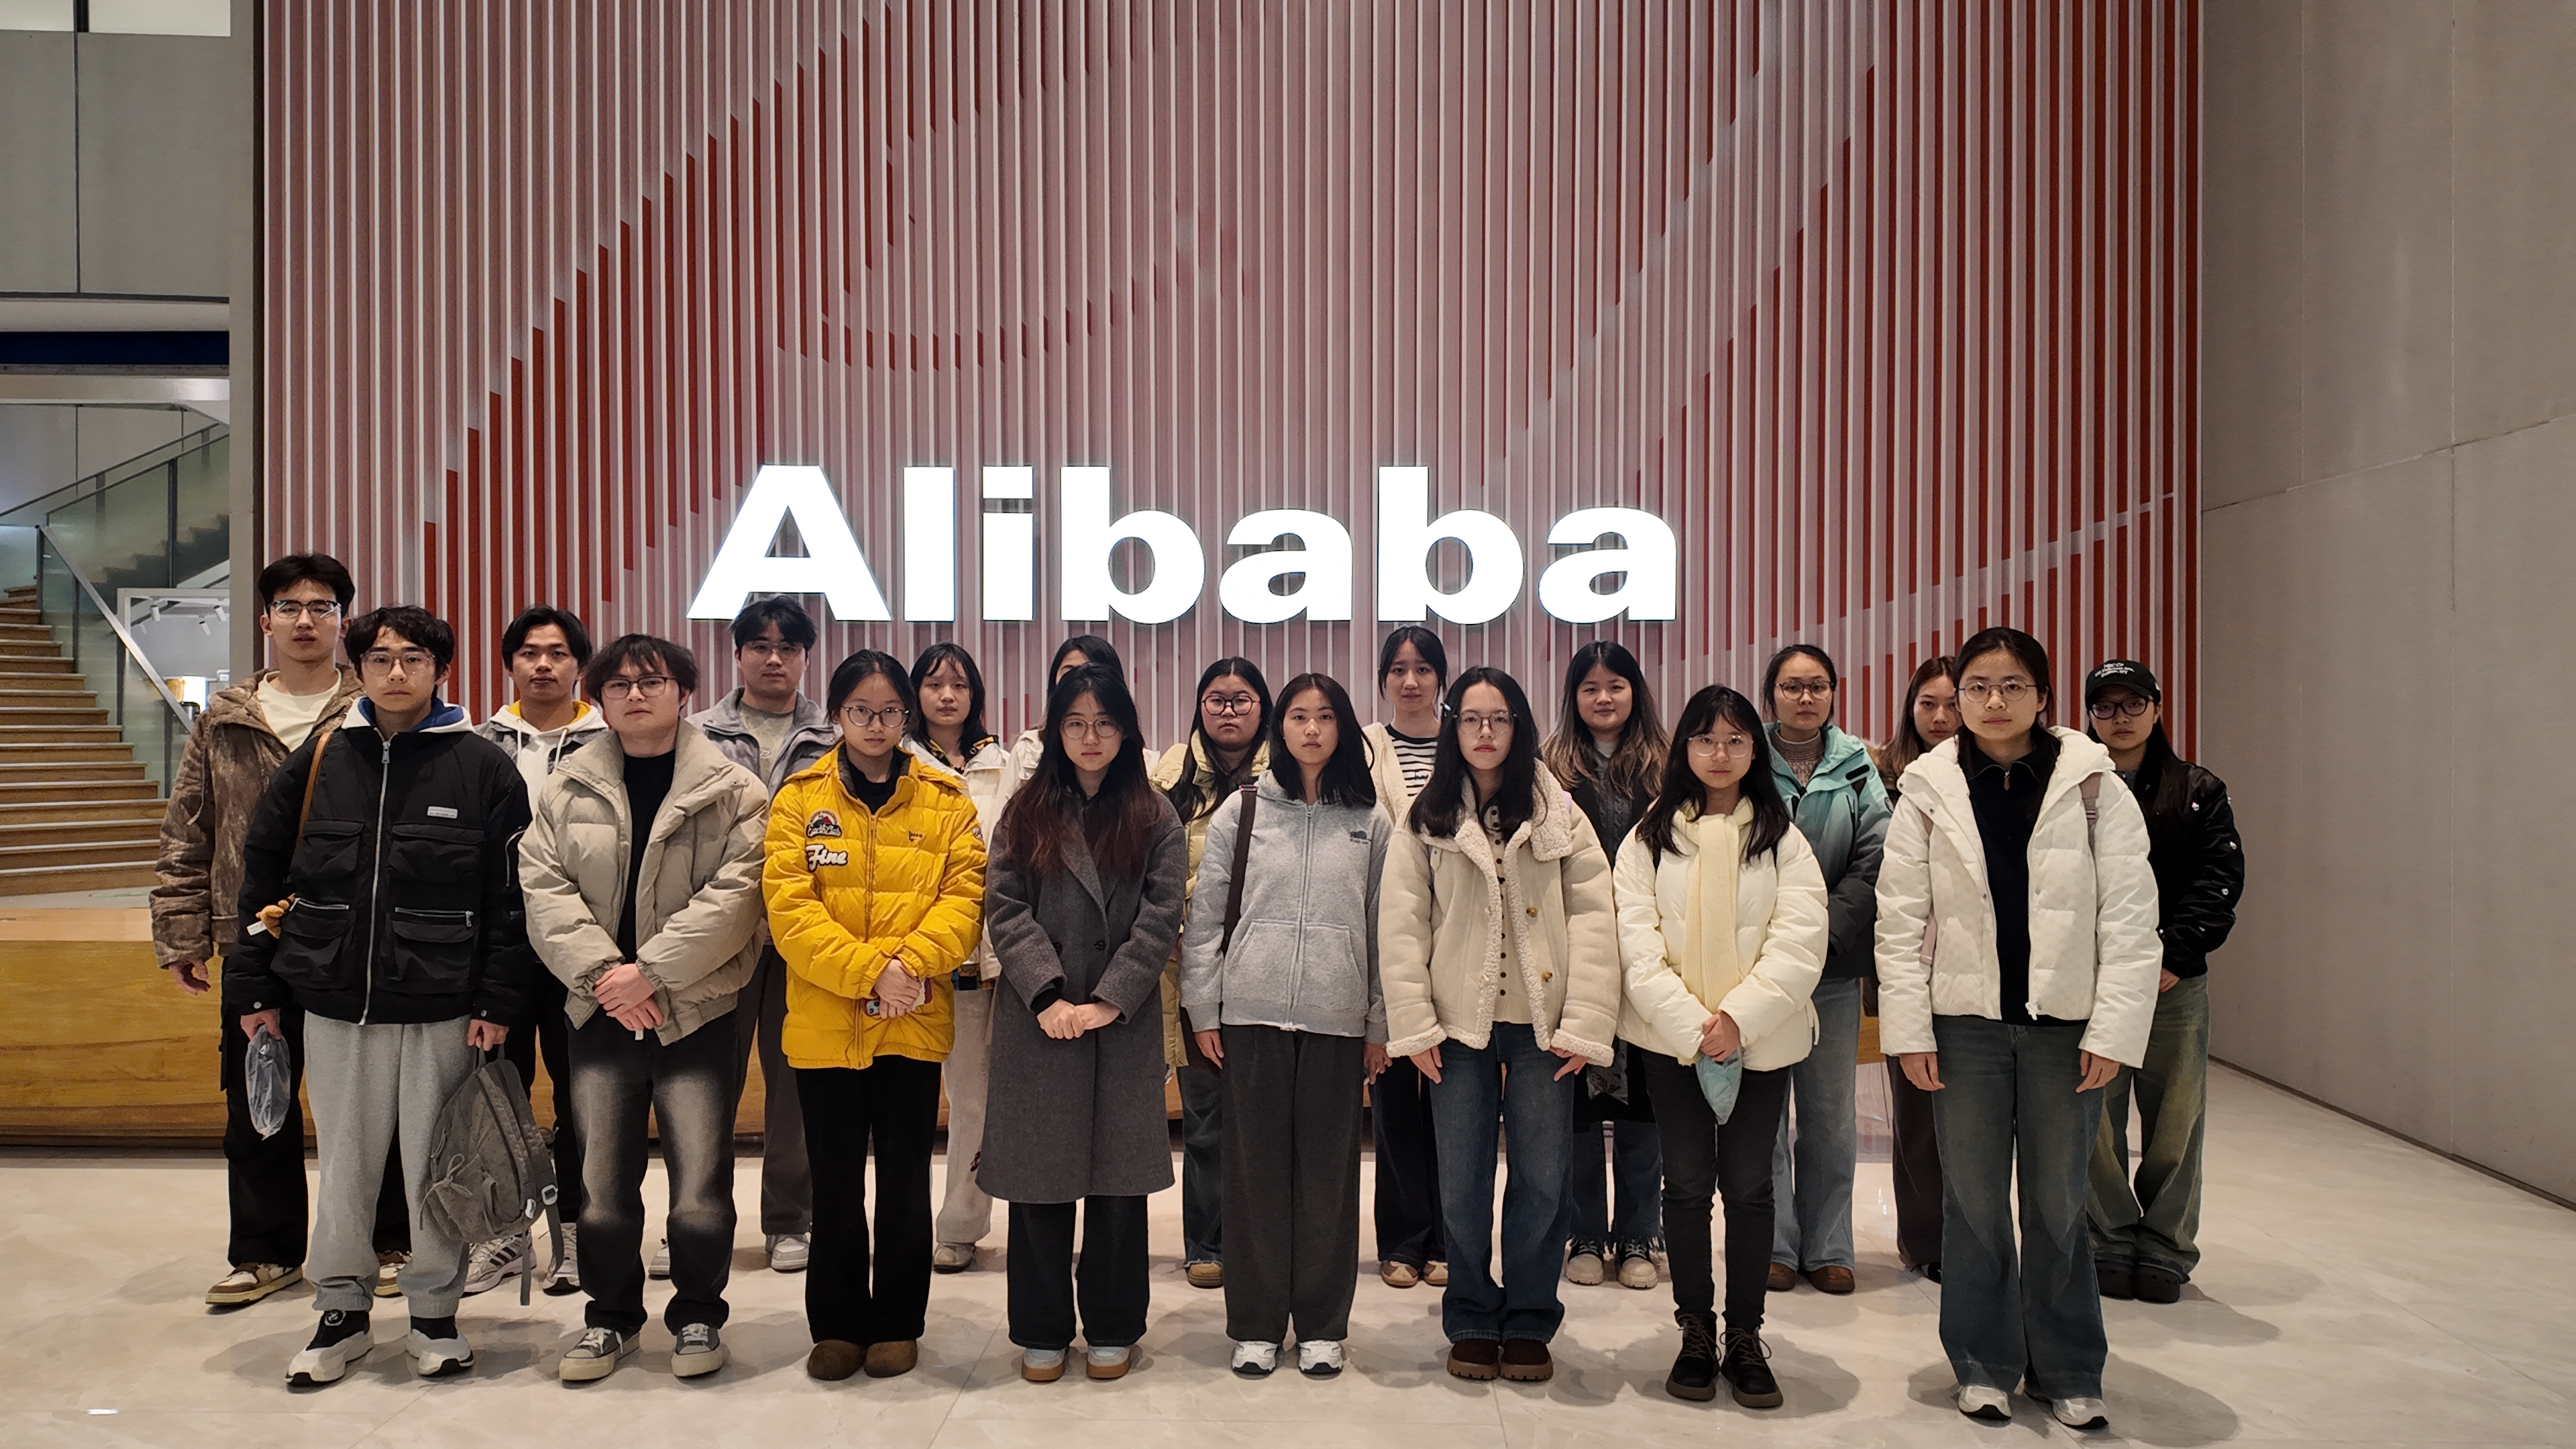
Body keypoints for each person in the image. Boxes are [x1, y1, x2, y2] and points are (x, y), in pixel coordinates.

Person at [225, 605, 534, 1387]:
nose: (397, 673)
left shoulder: (484, 767)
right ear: (358, 668)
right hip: (335, 1002)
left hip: (444, 1006)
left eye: (414, 659)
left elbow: (511, 900)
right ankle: (341, 1312)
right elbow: (262, 877)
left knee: (436, 1168)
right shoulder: (320, 758)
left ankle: (434, 1313)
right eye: (381, 658)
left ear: (441, 671)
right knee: (345, 1168)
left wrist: (498, 1003)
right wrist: (253, 986)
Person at [1876, 627, 2161, 1432]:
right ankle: (1982, 1362)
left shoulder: (2094, 786)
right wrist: (1910, 1030)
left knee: (2060, 1205)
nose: (1993, 702)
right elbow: (1899, 921)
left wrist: (2112, 1030)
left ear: (2042, 696)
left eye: (2012, 686)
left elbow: (2131, 919)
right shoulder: (1929, 787)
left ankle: (2069, 1367)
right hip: (1963, 1028)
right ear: (1957, 699)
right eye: (1977, 687)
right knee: (1972, 1207)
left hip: (2064, 1029)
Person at [153, 555, 411, 1308]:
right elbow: (189, 828)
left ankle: (388, 1238)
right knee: (257, 1094)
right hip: (254, 939)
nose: (306, 621)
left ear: (343, 621)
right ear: (265, 620)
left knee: (374, 1096)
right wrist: (181, 930)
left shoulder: (377, 706)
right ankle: (267, 1252)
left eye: (322, 607)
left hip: (359, 938)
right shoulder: (225, 717)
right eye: (290, 607)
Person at [518, 635, 768, 1381]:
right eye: (619, 684)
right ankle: (610, 1319)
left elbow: (737, 898)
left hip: (698, 1010)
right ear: (598, 697)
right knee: (601, 1185)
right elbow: (544, 889)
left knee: (700, 1186)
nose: (635, 694)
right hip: (599, 1011)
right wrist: (607, 977)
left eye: (652, 681)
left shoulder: (734, 790)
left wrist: (651, 975)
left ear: (683, 692)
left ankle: (698, 1317)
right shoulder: (566, 788)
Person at [1379, 666, 1621, 1385]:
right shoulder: (1427, 816)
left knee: (1544, 1178)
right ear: (1454, 728)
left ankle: (1531, 1318)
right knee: (1461, 1180)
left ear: (1519, 727)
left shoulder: (1558, 812)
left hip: (1546, 1027)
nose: (1485, 732)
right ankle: (1473, 1316)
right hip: (1456, 1028)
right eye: (1471, 719)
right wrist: (1415, 1023)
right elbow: (1401, 924)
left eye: (1500, 719)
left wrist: (1586, 1019)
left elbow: (1595, 916)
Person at [767, 650, 987, 1382]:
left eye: (890, 711)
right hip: (825, 1022)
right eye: (860, 710)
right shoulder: (800, 798)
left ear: (906, 716)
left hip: (912, 1020)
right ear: (837, 713)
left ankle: (896, 1323)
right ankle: (835, 1325)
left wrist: (907, 969)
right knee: (833, 1184)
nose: (875, 724)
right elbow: (789, 910)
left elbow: (964, 900)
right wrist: (872, 973)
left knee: (903, 1183)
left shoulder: (946, 799)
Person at [1613, 685, 1829, 1407]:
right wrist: (1693, 1026)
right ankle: (1696, 1332)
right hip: (1672, 1045)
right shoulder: (1648, 837)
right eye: (1705, 739)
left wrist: (1738, 1018)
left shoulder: (1783, 837)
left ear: (1754, 750)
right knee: (1683, 1186)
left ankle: (1744, 1334)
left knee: (1749, 1187)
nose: (1719, 753)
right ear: (1684, 748)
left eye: (1736, 740)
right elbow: (1635, 944)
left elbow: (1801, 941)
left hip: (1760, 1043)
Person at [979, 663, 1187, 1384]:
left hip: (1119, 1023)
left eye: (1103, 723)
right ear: (1055, 731)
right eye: (1075, 723)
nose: (1090, 737)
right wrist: (1048, 996)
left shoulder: (1156, 815)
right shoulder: (1026, 810)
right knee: (1039, 1185)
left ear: (1125, 729)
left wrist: (1108, 999)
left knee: (1117, 1190)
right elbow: (1004, 907)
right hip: (1040, 1022)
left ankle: (1113, 1324)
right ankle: (1041, 1328)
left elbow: (1161, 916)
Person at [1180, 672, 1389, 1380]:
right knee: (1253, 1178)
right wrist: (1204, 1009)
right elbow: (1206, 920)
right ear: (1281, 726)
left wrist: (1379, 1022)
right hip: (1250, 1015)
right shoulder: (1242, 810)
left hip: (1338, 1021)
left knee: (1329, 1179)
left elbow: (1383, 929)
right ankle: (1256, 1324)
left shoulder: (1370, 819)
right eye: (1299, 716)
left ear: (1344, 727)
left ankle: (1324, 1326)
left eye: (1325, 716)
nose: (1311, 729)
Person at [2081, 660, 2243, 1305]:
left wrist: (2172, 957)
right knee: (2095, 1114)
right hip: (2090, 981)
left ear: (2156, 709)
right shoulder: (2072, 785)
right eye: (2105, 706)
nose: (2119, 718)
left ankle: (2167, 1247)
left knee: (2177, 1116)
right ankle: (2108, 1237)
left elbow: (2218, 880)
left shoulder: (2198, 788)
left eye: (2132, 704)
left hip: (2174, 985)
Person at [689, 595, 837, 1275]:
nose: (774, 658)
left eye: (788, 647)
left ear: (805, 657)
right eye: (760, 646)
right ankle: (695, 1221)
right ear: (739, 654)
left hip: (804, 936)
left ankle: (788, 1221)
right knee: (705, 1087)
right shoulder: (698, 734)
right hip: (719, 934)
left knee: (795, 1091)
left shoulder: (832, 737)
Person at [468, 604, 605, 1297]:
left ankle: (579, 1231)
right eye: (529, 653)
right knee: (499, 1094)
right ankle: (507, 1232)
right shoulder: (477, 744)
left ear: (579, 665)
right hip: (498, 947)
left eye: (557, 653)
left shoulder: (609, 742)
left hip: (583, 946)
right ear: (510, 664)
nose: (543, 665)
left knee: (586, 1096)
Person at [1758, 645, 1890, 1298]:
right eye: (1792, 687)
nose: (1805, 698)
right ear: (1772, 695)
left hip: (1835, 966)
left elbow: (1876, 857)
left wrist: (1824, 932)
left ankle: (1831, 1246)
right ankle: (1776, 1246)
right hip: (1758, 968)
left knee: (1831, 1115)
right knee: (1764, 1116)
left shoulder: (1859, 764)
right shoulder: (1746, 756)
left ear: (1834, 693)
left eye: (1817, 686)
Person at [1540, 641, 1669, 1293]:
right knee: (1578, 1101)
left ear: (1634, 691)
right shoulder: (1549, 768)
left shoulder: (1668, 765)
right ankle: (1586, 1231)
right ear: (1574, 697)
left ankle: (1641, 1233)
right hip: (1576, 956)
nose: (1603, 697)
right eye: (1589, 687)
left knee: (1648, 1100)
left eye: (1615, 685)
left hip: (1652, 954)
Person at [1150, 657, 1275, 1292]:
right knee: (1203, 1118)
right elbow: (1148, 861)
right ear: (1200, 706)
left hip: (1266, 969)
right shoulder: (1167, 775)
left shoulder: (1287, 774)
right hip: (1188, 969)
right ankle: (1207, 1245)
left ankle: (1262, 1244)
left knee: (1264, 1120)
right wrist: (1172, 933)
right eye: (1217, 699)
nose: (1229, 711)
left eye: (1242, 699)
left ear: (1263, 707)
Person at [903, 642, 1014, 1275]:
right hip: (911, 961)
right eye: (934, 684)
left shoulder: (1004, 765)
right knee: (913, 1106)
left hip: (984, 960)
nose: (947, 696)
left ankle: (961, 1225)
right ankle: (906, 1226)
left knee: (976, 1102)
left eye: (960, 685)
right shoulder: (897, 760)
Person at [1358, 624, 1449, 1290]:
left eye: (1423, 668)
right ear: (1384, 679)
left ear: (1441, 678)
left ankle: (1448, 1238)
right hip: (1386, 936)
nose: (1410, 680)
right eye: (1398, 669)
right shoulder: (1365, 747)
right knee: (1393, 1101)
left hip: (1459, 940)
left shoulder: (1468, 741)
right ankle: (1401, 1239)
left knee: (1455, 1101)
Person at [1876, 655, 1959, 1281]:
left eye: (1953, 703)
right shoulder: (1882, 777)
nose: (1941, 716)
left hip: (1980, 967)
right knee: (1918, 1114)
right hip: (1906, 961)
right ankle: (1928, 1243)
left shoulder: (1994, 776)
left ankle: (1979, 1239)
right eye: (1928, 703)